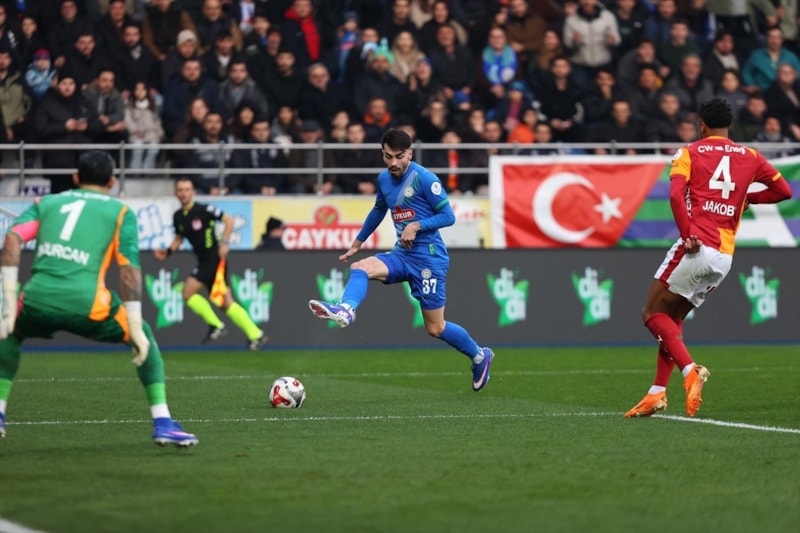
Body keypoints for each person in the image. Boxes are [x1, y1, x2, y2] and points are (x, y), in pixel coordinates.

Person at [0, 150, 198, 447]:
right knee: (144, 335)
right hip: (88, 305)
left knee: (9, 333)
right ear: (112, 181)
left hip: (37, 299)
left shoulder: (46, 203)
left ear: (75, 178)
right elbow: (128, 269)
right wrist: (134, 324)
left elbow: (12, 238)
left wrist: (8, 301)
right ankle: (163, 422)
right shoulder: (120, 212)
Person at [624, 97, 792, 419]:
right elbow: (784, 191)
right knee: (672, 321)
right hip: (723, 257)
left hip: (697, 245)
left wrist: (687, 234)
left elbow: (676, 195)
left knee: (652, 313)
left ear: (701, 125)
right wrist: (748, 199)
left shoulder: (688, 153)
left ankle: (690, 370)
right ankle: (656, 393)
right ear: (729, 126)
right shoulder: (751, 156)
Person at [308, 129, 494, 393]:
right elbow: (378, 210)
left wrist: (416, 225)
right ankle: (346, 309)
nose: (393, 162)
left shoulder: (425, 179)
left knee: (435, 328)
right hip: (403, 255)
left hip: (429, 259)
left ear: (410, 154)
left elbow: (448, 216)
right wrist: (358, 243)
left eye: (398, 156)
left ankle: (479, 356)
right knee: (360, 267)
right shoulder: (384, 179)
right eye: (387, 156)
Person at [154, 178, 268, 351]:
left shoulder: (204, 210)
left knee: (187, 293)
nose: (184, 193)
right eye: (180, 190)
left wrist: (225, 242)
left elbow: (228, 220)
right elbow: (179, 237)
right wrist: (168, 252)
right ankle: (256, 334)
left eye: (187, 189)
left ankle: (217, 326)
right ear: (176, 193)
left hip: (213, 259)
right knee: (225, 302)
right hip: (204, 260)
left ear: (193, 192)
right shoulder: (178, 216)